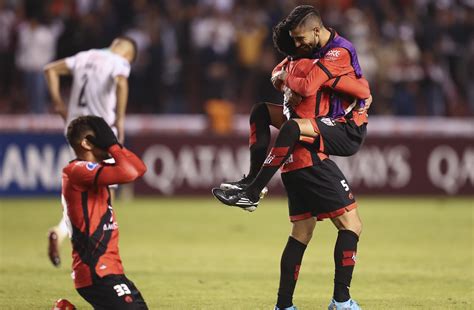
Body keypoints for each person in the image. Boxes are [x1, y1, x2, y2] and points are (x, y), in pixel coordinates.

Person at [213, 5, 366, 310]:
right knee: (349, 225)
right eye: (293, 42)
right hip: (307, 152)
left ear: (316, 30)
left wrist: (289, 77)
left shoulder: (338, 52)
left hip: (339, 131)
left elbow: (353, 88)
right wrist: (292, 77)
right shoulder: (304, 57)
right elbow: (288, 77)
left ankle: (285, 305)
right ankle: (340, 301)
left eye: (299, 40)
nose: (296, 47)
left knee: (302, 231)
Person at [43, 37, 137, 267]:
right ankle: (99, 249)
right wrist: (121, 120)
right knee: (106, 194)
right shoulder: (118, 61)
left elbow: (50, 70)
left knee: (79, 188)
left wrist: (58, 104)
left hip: (75, 132)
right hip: (101, 133)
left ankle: (61, 231)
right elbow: (122, 83)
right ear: (128, 53)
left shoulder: (85, 56)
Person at [61, 115, 147, 309]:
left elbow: (139, 169)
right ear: (86, 143)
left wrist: (115, 144)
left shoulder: (97, 169)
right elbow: (130, 172)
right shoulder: (76, 170)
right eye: (102, 136)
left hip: (110, 268)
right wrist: (113, 147)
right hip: (96, 271)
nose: (107, 140)